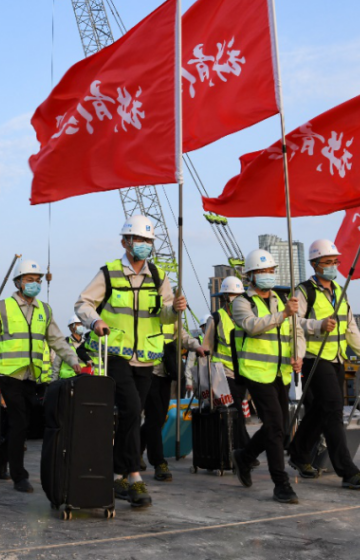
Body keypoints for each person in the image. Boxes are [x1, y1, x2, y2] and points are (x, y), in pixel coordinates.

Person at [74, 214, 187, 509]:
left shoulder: (160, 278)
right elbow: (83, 302)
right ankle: (133, 474)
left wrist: (175, 310)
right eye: (139, 240)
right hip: (116, 354)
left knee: (130, 415)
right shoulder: (109, 273)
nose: (144, 245)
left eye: (148, 241)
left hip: (146, 357)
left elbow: (164, 317)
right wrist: (95, 320)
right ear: (125, 242)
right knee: (133, 408)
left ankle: (120, 474)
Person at [0, 258, 82, 493]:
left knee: (26, 424)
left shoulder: (44, 310)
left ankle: (0, 457)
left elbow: (56, 339)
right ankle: (19, 476)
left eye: (38, 280)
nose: (35, 284)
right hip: (9, 374)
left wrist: (74, 360)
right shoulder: (3, 307)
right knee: (19, 422)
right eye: (30, 280)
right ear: (19, 282)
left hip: (33, 376)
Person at [287, 239, 360, 490]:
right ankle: (347, 470)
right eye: (327, 262)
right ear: (315, 264)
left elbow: (351, 328)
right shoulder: (303, 291)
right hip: (314, 359)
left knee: (321, 410)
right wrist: (317, 325)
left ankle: (298, 452)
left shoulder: (341, 292)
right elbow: (293, 324)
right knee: (332, 407)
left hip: (337, 358)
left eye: (335, 262)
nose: (333, 266)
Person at [229, 248, 304, 504]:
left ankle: (245, 456)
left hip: (279, 373)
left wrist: (298, 355)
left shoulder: (281, 300)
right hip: (255, 373)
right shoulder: (241, 302)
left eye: (271, 271)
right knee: (274, 427)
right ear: (250, 275)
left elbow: (297, 331)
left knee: (280, 427)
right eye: (262, 271)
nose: (267, 275)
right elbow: (251, 326)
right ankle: (280, 484)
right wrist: (283, 314)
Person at [141, 322, 205, 483]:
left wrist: (197, 346)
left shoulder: (171, 321)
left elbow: (183, 337)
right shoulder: (145, 317)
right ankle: (158, 462)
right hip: (147, 371)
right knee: (155, 418)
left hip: (166, 373)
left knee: (159, 418)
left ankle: (136, 451)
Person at [202, 276, 253, 452]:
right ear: (224, 298)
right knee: (235, 410)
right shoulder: (216, 318)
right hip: (223, 374)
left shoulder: (247, 318)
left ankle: (237, 449)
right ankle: (245, 450)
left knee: (237, 412)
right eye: (232, 295)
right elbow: (206, 348)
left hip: (245, 372)